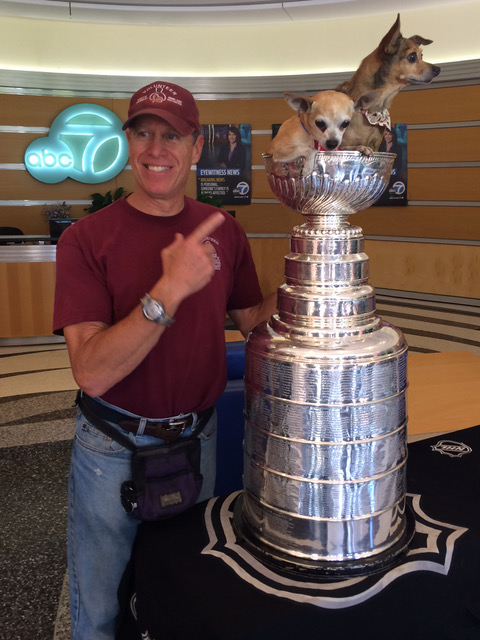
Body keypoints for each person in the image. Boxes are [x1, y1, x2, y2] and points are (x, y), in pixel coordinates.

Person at [53, 80, 276, 640]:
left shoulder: (222, 230)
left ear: (197, 148)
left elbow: (253, 320)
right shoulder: (84, 239)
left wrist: (320, 262)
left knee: (180, 599)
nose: (157, 149)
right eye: (144, 133)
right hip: (112, 451)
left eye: (171, 136)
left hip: (195, 444)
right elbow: (92, 371)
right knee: (100, 613)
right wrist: (167, 291)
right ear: (128, 143)